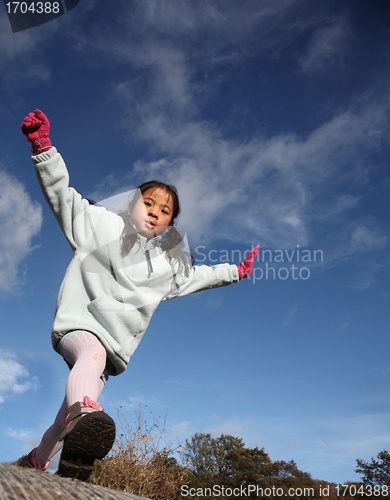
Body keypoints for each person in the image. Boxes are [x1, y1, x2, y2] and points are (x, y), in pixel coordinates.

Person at [16, 109, 260, 480]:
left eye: (164, 211)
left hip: (112, 350)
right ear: (131, 203)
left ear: (169, 225)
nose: (154, 212)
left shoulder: (165, 267)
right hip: (79, 327)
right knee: (90, 360)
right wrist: (44, 150)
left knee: (64, 419)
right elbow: (63, 198)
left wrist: (235, 273)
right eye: (148, 203)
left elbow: (198, 277)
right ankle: (85, 413)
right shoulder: (99, 225)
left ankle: (37, 459)